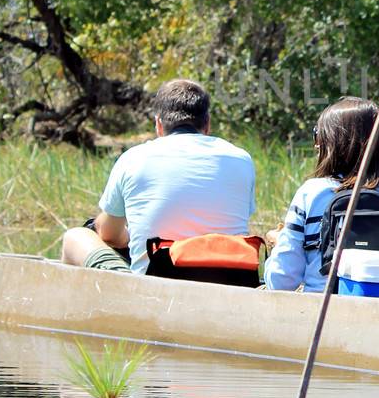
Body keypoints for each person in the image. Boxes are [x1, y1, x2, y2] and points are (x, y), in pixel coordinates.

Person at [60, 78, 255, 275]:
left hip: (154, 288)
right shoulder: (242, 159)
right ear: (207, 124)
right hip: (231, 284)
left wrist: (120, 232)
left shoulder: (133, 158)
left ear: (159, 125)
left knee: (75, 236)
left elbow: (109, 235)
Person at [264, 95, 379, 292]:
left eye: (318, 136)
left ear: (330, 143)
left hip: (323, 314)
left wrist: (277, 245)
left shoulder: (310, 194)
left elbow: (281, 282)